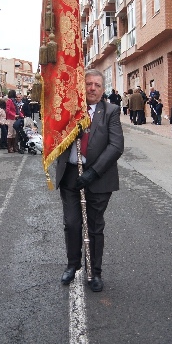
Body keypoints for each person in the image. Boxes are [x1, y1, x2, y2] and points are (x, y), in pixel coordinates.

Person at [55, 68, 124, 292]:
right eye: (88, 84)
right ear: (81, 87)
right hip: (70, 176)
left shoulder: (111, 111)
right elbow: (54, 137)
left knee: (94, 226)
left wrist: (93, 172)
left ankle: (94, 271)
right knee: (72, 223)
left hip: (98, 177)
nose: (92, 88)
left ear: (103, 90)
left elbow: (116, 146)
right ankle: (72, 265)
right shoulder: (69, 111)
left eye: (97, 85)